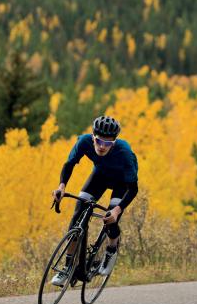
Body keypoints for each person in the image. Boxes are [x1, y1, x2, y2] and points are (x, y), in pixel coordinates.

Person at [51, 115, 138, 286]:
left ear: (114, 142)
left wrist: (117, 210)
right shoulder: (83, 142)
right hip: (99, 176)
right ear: (92, 136)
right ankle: (67, 268)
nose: (102, 147)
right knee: (77, 218)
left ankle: (110, 252)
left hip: (122, 183)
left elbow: (133, 189)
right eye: (99, 141)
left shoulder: (124, 152)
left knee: (109, 219)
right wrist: (61, 186)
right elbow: (69, 164)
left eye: (108, 144)